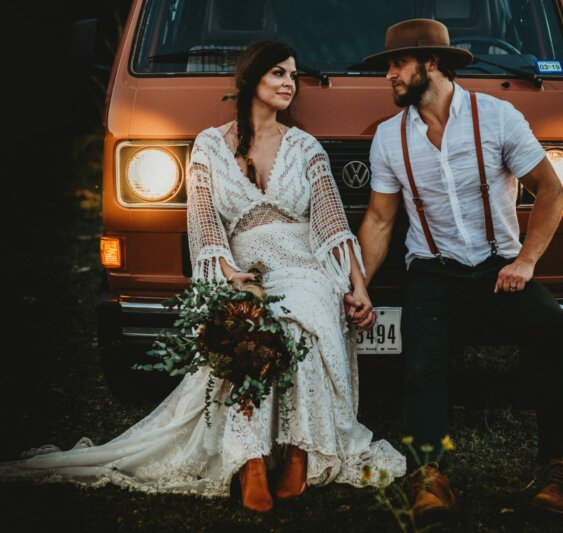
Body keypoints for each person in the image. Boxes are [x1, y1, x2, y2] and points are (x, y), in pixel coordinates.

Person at [0, 40, 405, 513]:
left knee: (304, 314)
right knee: (248, 322)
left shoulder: (307, 148)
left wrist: (357, 286)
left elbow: (333, 225)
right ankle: (250, 460)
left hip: (303, 264)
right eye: (278, 73)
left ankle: (300, 451)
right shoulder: (209, 147)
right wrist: (230, 274)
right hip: (245, 265)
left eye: (292, 75)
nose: (289, 84)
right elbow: (205, 226)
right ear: (252, 79)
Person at [355, 19, 563, 517]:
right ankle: (431, 477)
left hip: (500, 265)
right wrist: (358, 286)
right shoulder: (391, 137)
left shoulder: (498, 117)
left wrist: (526, 260)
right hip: (433, 272)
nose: (389, 75)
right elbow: (378, 219)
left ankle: (558, 468)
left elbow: (551, 189)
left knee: (551, 327)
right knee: (421, 365)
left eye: (397, 64)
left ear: (430, 63)